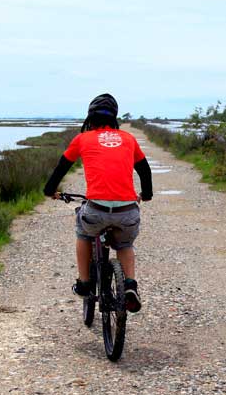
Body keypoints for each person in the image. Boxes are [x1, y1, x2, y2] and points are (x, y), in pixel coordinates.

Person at [43, 93, 152, 312]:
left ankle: (84, 283)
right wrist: (146, 194)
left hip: (96, 212)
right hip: (127, 212)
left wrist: (50, 191)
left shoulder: (82, 139)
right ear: (114, 118)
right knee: (124, 245)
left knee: (83, 233)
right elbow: (144, 169)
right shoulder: (128, 139)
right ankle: (130, 285)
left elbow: (61, 168)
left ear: (90, 119)